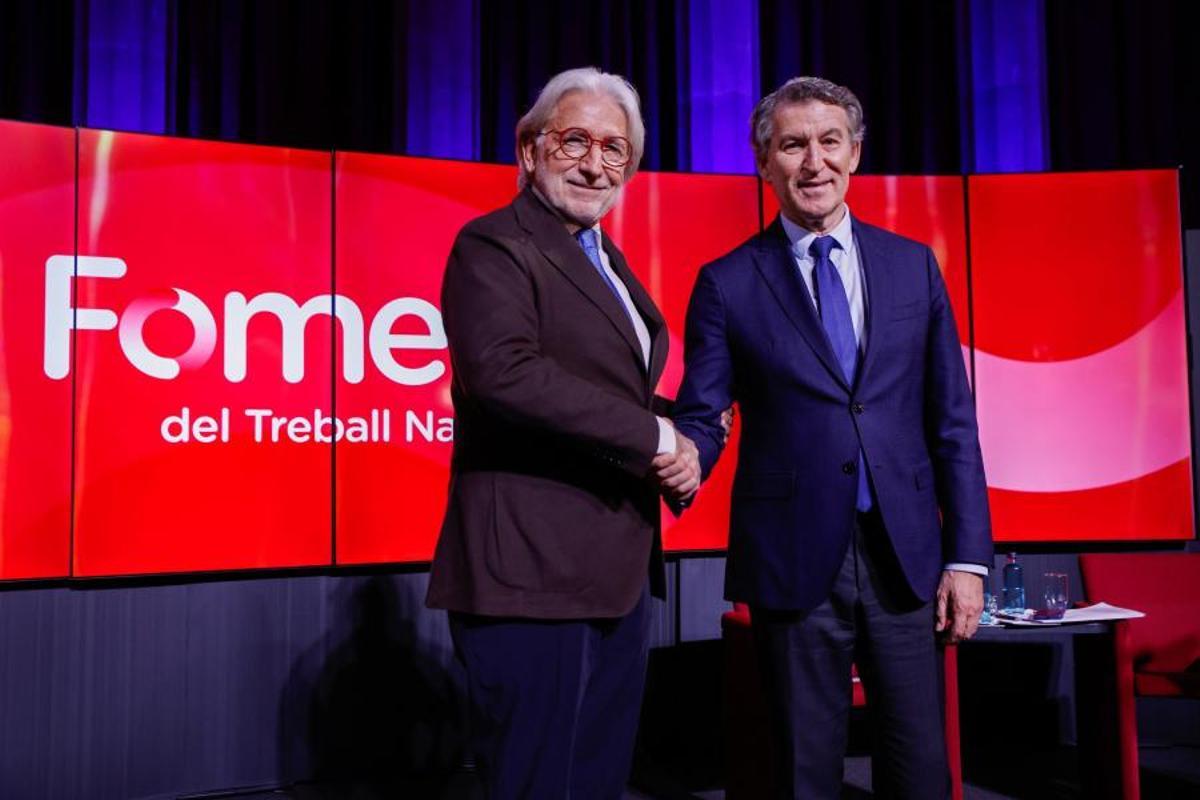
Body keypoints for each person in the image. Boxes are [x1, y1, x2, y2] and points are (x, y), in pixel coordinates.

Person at [671, 76, 993, 799]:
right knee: (802, 774)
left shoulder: (912, 266)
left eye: (829, 142)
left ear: (855, 153)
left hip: (906, 560)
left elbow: (953, 421)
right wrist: (682, 456)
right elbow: (703, 411)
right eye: (792, 145)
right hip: (792, 561)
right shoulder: (726, 282)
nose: (813, 162)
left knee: (921, 771)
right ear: (765, 162)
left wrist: (968, 557)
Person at [426, 66, 700, 799]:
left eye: (615, 149)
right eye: (575, 140)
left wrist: (683, 428)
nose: (594, 164)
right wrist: (657, 438)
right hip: (530, 575)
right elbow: (505, 374)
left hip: (615, 573)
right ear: (529, 149)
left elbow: (607, 388)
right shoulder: (494, 244)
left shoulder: (605, 258)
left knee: (596, 783)